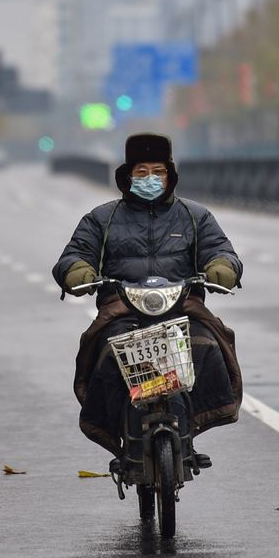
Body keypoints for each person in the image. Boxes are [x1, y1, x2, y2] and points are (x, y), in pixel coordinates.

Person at [53, 132, 243, 461]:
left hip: (182, 311)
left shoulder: (195, 217)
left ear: (170, 174)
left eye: (158, 171)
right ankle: (119, 436)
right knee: (106, 359)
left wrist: (222, 268)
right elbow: (75, 255)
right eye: (141, 172)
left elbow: (221, 251)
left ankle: (190, 432)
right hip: (122, 313)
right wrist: (77, 272)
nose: (150, 178)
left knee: (208, 348)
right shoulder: (102, 219)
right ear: (128, 175)